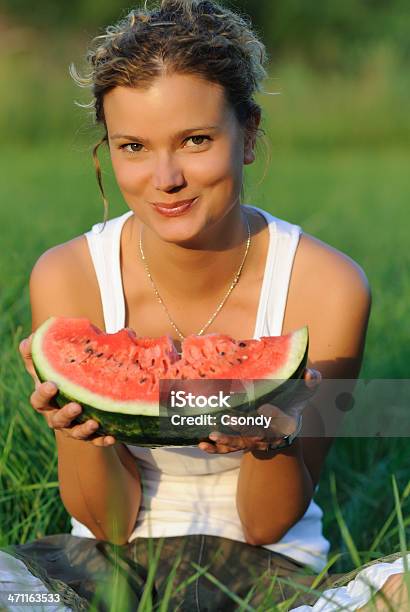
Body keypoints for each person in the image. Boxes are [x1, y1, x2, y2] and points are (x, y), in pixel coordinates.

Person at [8, 0, 409, 609]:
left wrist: (270, 441)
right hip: (99, 572)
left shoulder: (327, 286)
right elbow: (109, 526)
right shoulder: (68, 275)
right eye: (133, 147)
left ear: (247, 136)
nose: (165, 177)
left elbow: (266, 526)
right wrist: (85, 432)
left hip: (273, 579)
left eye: (195, 140)